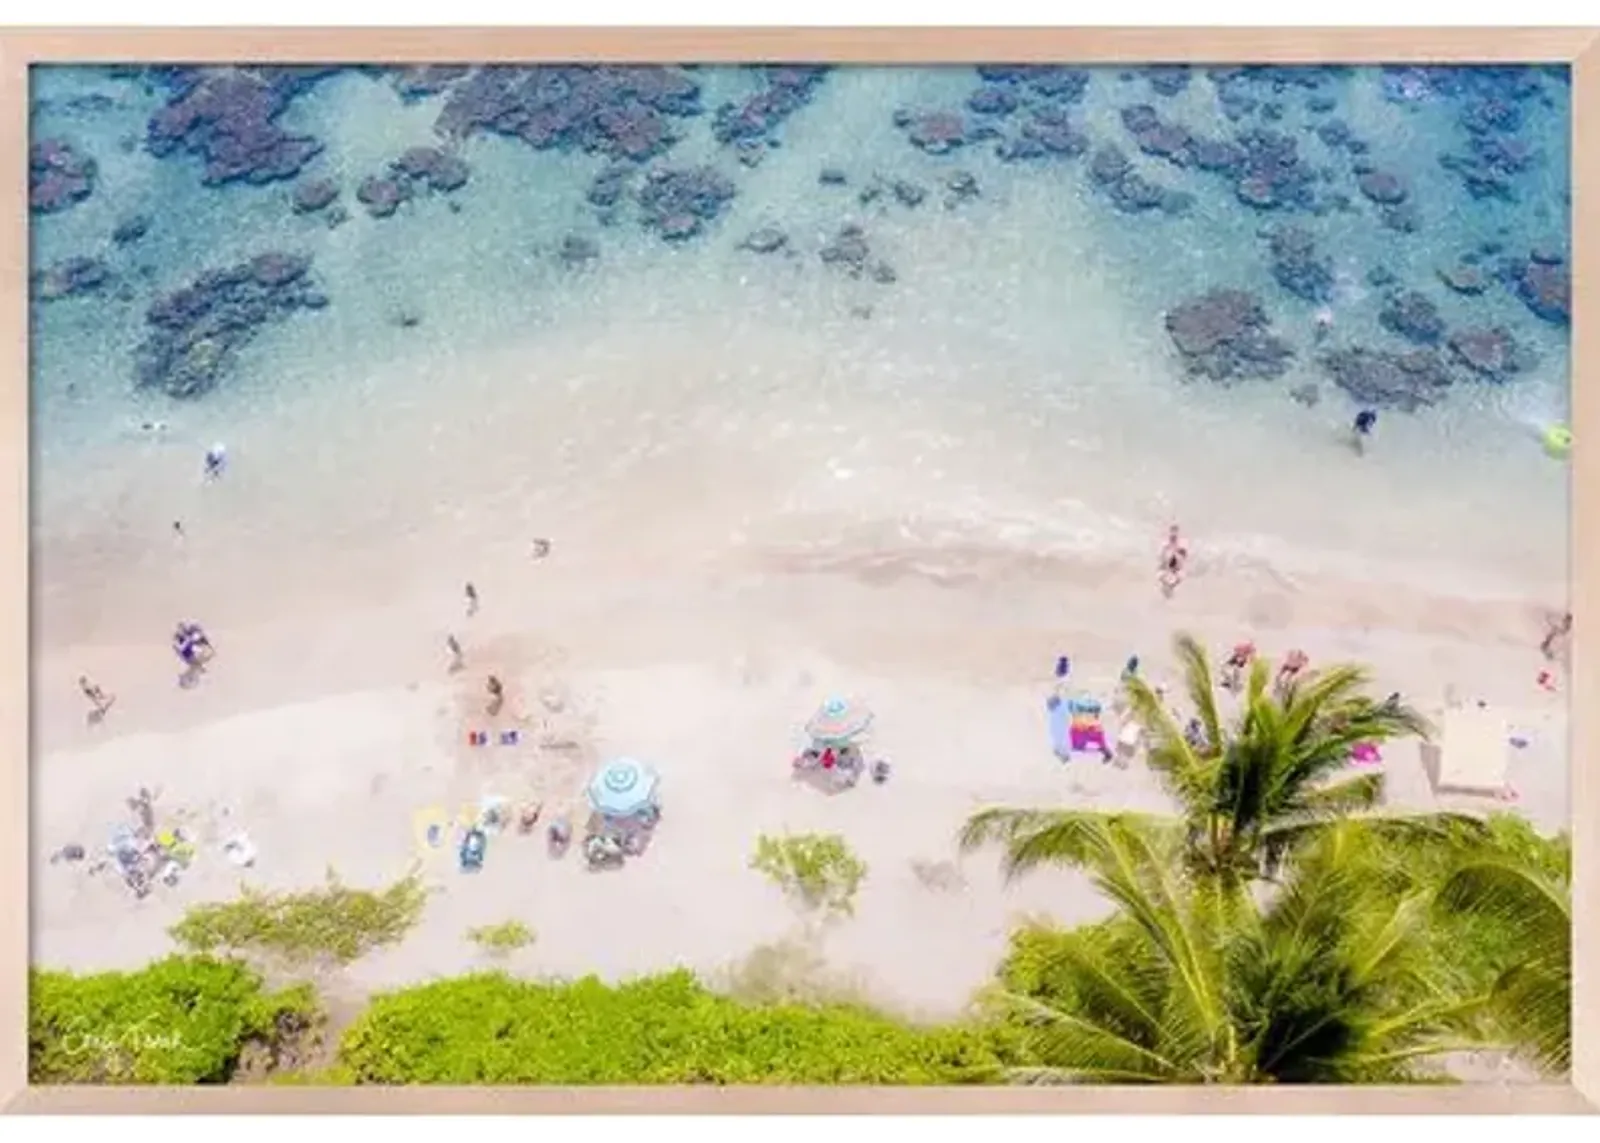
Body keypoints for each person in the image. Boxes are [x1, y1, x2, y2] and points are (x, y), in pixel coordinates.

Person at [1157, 525, 1188, 597]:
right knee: (1161, 576)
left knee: (1180, 576)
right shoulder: (1165, 543)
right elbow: (1161, 555)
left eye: (1175, 532)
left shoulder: (1181, 543)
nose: (1173, 534)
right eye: (1172, 531)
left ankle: (1169, 588)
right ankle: (1167, 589)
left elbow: (1184, 555)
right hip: (1166, 565)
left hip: (1176, 566)